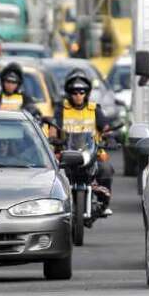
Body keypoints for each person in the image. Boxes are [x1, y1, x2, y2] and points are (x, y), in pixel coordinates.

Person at [52, 70, 114, 216]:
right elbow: (54, 128)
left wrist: (110, 138)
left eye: (82, 92)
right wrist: (53, 139)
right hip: (68, 153)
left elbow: (105, 128)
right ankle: (56, 206)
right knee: (52, 172)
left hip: (92, 153)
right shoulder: (61, 109)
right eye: (74, 92)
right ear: (69, 93)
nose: (78, 95)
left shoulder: (94, 109)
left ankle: (102, 203)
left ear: (87, 93)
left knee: (106, 169)